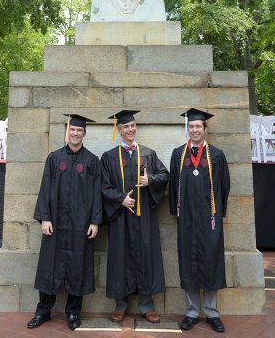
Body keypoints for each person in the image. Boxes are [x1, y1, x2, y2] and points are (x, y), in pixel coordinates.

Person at [27, 114, 102, 331]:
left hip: (81, 225)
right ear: (67, 132)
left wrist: (95, 221)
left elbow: (97, 194)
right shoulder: (54, 158)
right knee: (49, 267)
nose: (76, 134)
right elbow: (44, 189)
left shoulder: (92, 162)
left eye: (79, 131)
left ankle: (73, 313)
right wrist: (45, 218)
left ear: (84, 133)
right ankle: (43, 312)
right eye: (72, 130)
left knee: (78, 268)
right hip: (56, 224)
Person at [101, 110, 169, 324]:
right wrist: (120, 199)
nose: (130, 129)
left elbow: (164, 175)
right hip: (121, 216)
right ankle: (120, 306)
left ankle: (146, 306)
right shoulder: (109, 157)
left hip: (143, 217)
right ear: (119, 131)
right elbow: (103, 186)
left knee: (145, 256)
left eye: (132, 125)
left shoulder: (148, 153)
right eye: (125, 127)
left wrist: (151, 181)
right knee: (120, 257)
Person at [169, 108, 230, 333]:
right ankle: (192, 312)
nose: (195, 130)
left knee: (211, 263)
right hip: (186, 219)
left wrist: (218, 212)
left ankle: (212, 313)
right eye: (191, 126)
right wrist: (176, 212)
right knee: (189, 264)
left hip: (209, 219)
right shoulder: (178, 154)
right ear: (188, 128)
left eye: (198, 127)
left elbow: (224, 187)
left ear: (205, 129)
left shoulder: (216, 155)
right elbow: (173, 184)